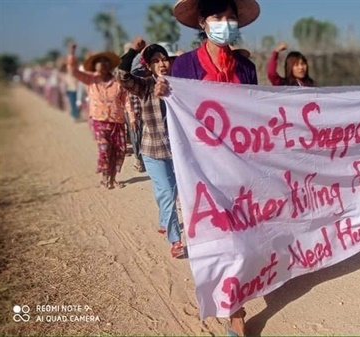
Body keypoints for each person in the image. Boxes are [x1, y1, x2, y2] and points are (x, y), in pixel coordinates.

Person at [155, 0, 260, 335]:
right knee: (222, 239)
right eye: (217, 17)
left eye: (230, 18)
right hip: (202, 169)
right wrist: (164, 93)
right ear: (202, 22)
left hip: (240, 166)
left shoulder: (246, 68)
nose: (224, 23)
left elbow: (256, 113)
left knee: (243, 235)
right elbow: (175, 114)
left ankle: (237, 293)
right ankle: (235, 311)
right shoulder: (183, 66)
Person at [117, 37, 184, 258]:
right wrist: (131, 52)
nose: (162, 64)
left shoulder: (181, 85)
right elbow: (122, 76)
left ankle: (165, 220)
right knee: (166, 191)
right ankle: (175, 239)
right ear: (149, 65)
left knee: (172, 190)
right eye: (156, 61)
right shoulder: (144, 86)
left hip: (177, 151)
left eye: (165, 59)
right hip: (153, 150)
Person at [67, 43, 128, 189]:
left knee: (117, 150)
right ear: (95, 66)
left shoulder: (117, 81)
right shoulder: (90, 79)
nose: (104, 65)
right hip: (99, 121)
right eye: (100, 62)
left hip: (117, 121)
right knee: (105, 149)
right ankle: (105, 177)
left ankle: (112, 179)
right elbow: (73, 71)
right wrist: (72, 53)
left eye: (106, 62)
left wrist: (131, 117)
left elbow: (126, 100)